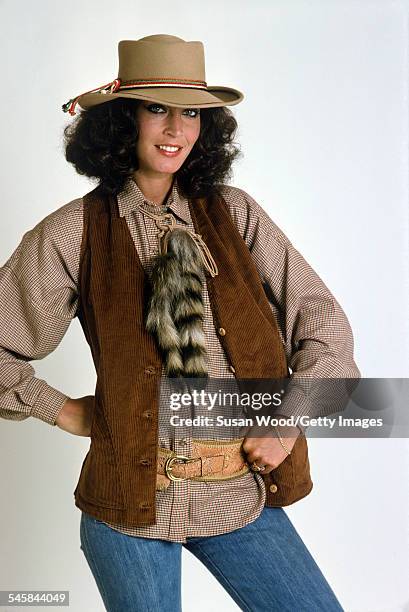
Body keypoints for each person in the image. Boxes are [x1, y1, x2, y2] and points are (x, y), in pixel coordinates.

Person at [0, 34, 360, 611]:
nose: (176, 129)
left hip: (238, 495)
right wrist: (61, 410)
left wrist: (286, 424)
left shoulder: (235, 213)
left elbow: (325, 330)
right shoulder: (76, 232)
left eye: (191, 111)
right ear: (122, 120)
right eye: (156, 108)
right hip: (129, 508)